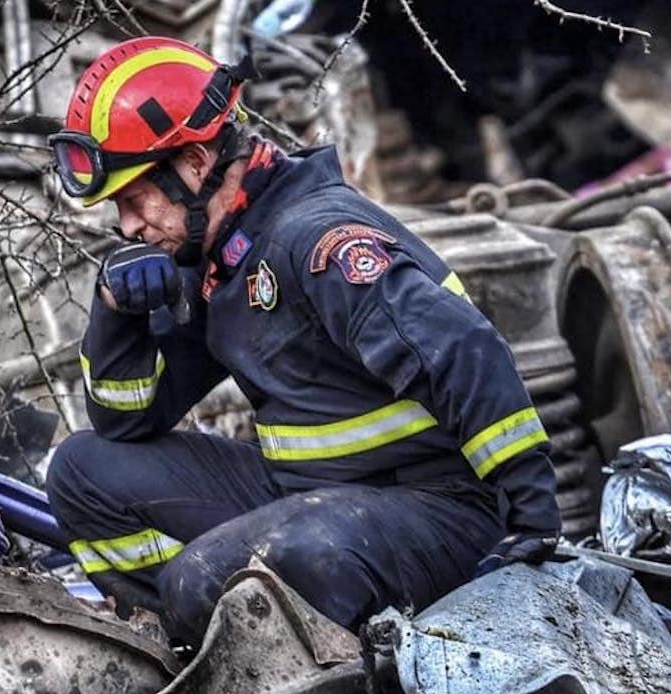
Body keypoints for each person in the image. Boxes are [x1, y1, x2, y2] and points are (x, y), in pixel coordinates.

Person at [45, 36, 561, 646]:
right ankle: (195, 644)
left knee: (208, 580)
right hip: (309, 495)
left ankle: (305, 658)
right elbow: (126, 422)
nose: (127, 224)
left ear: (194, 163)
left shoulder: (316, 239)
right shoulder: (222, 257)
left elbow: (463, 349)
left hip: (439, 508)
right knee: (81, 470)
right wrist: (117, 313)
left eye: (135, 198)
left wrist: (531, 516)